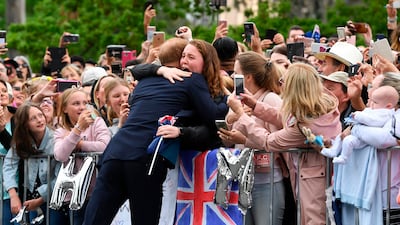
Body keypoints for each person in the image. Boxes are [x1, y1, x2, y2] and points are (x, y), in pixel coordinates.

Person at [82, 41, 218, 225]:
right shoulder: (191, 79)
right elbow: (213, 117)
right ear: (178, 60)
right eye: (184, 56)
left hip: (115, 153)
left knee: (94, 221)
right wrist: (232, 103)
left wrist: (157, 70)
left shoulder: (144, 82)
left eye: (190, 57)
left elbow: (136, 71)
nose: (185, 61)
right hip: (144, 158)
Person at [226, 63, 341, 225]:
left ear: (294, 87)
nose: (280, 84)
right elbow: (283, 118)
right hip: (313, 174)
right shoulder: (313, 111)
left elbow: (268, 141)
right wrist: (254, 105)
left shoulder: (305, 125)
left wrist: (241, 114)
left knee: (313, 220)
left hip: (313, 178)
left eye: (283, 81)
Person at [219, 51, 285, 225]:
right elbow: (227, 141)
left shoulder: (270, 99)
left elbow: (276, 141)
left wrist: (244, 140)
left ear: (247, 77)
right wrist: (230, 121)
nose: (232, 76)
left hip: (267, 180)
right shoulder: (237, 101)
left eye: (236, 72)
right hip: (243, 179)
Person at [53, 88, 111, 225]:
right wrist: (78, 129)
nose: (82, 107)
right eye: (76, 103)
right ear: (65, 109)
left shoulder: (96, 122)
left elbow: (105, 146)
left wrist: (79, 144)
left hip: (99, 191)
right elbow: (60, 155)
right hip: (76, 195)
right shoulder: (61, 130)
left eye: (85, 103)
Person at [3, 103, 64, 224]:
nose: (39, 120)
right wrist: (13, 195)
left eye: (40, 115)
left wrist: (41, 199)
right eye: (33, 118)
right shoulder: (21, 140)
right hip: (31, 197)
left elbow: (60, 175)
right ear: (24, 124)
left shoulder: (56, 139)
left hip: (53, 197)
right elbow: (9, 166)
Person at [321, 85, 399, 164]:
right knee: (342, 137)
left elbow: (373, 122)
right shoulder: (375, 109)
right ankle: (334, 151)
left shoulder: (386, 113)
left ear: (388, 105)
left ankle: (343, 157)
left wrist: (358, 118)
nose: (371, 104)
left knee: (348, 140)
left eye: (375, 102)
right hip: (360, 138)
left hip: (365, 143)